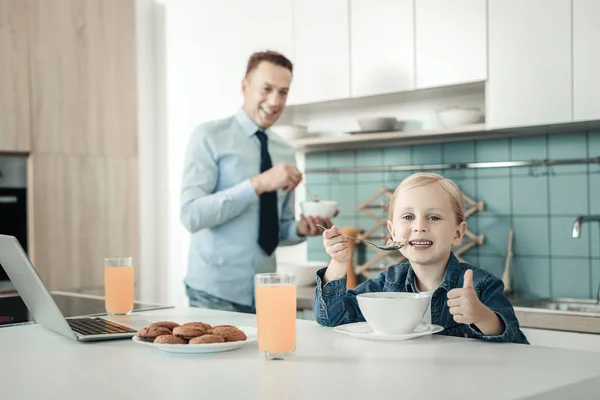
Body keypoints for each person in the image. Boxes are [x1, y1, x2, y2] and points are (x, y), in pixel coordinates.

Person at [180, 50, 332, 313]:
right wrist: (259, 184)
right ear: (245, 86)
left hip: (267, 294)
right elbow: (191, 215)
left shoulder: (285, 152)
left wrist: (300, 230)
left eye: (283, 92)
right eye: (266, 89)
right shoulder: (208, 137)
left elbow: (276, 229)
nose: (274, 101)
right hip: (213, 294)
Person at [314, 172, 529, 344]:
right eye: (408, 217)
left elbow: (516, 344)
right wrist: (338, 264)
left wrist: (481, 316)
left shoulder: (482, 286)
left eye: (433, 217)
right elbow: (331, 317)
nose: (419, 227)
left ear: (458, 233)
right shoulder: (386, 285)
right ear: (393, 232)